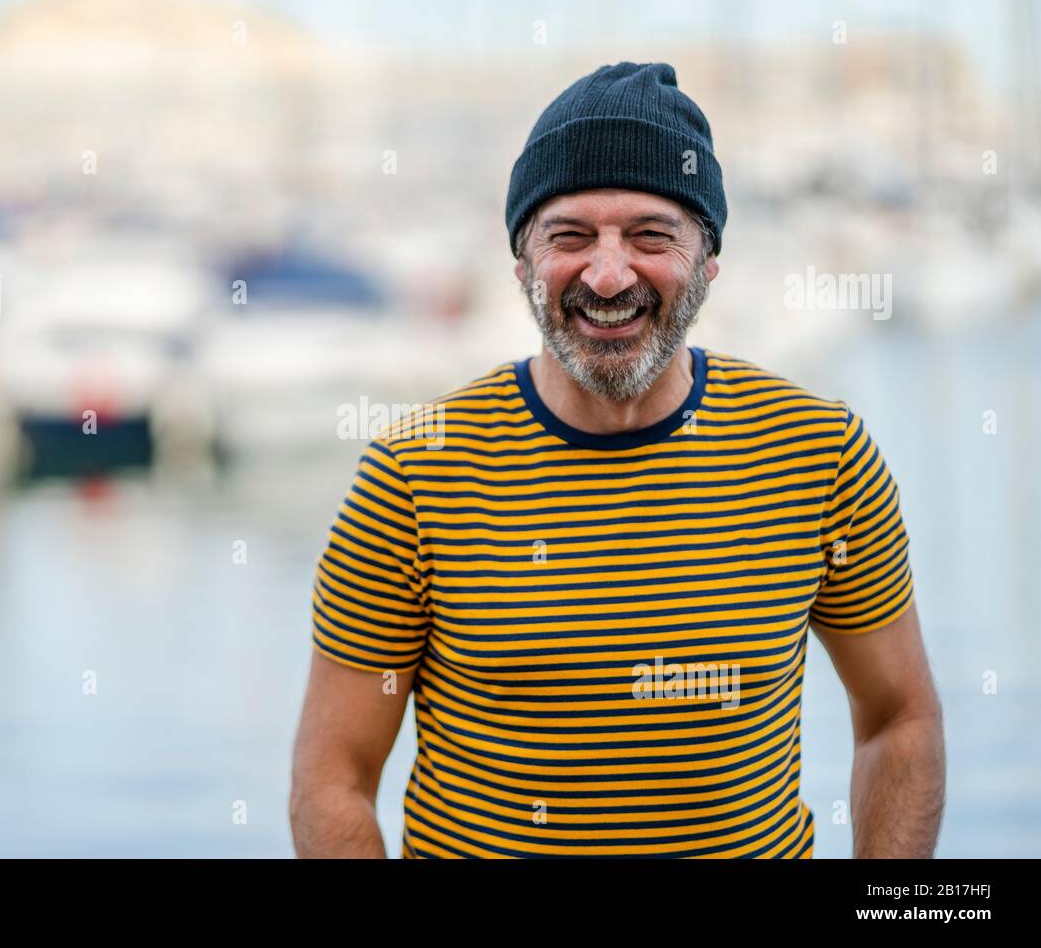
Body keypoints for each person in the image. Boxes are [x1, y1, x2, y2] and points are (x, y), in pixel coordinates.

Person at [290, 61, 945, 858]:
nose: (607, 274)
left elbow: (899, 719)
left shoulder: (822, 454)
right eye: (569, 236)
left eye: (650, 235)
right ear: (523, 267)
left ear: (707, 263)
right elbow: (333, 781)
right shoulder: (412, 476)